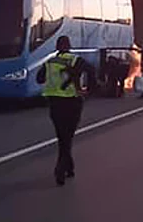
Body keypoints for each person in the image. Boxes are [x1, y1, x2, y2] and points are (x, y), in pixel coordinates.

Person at [36, 36, 97, 185]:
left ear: (57, 47)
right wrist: (90, 89)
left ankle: (69, 167)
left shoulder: (50, 62)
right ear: (69, 46)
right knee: (67, 136)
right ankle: (60, 168)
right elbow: (91, 70)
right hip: (72, 102)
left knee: (62, 136)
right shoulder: (75, 60)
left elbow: (39, 79)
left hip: (54, 102)